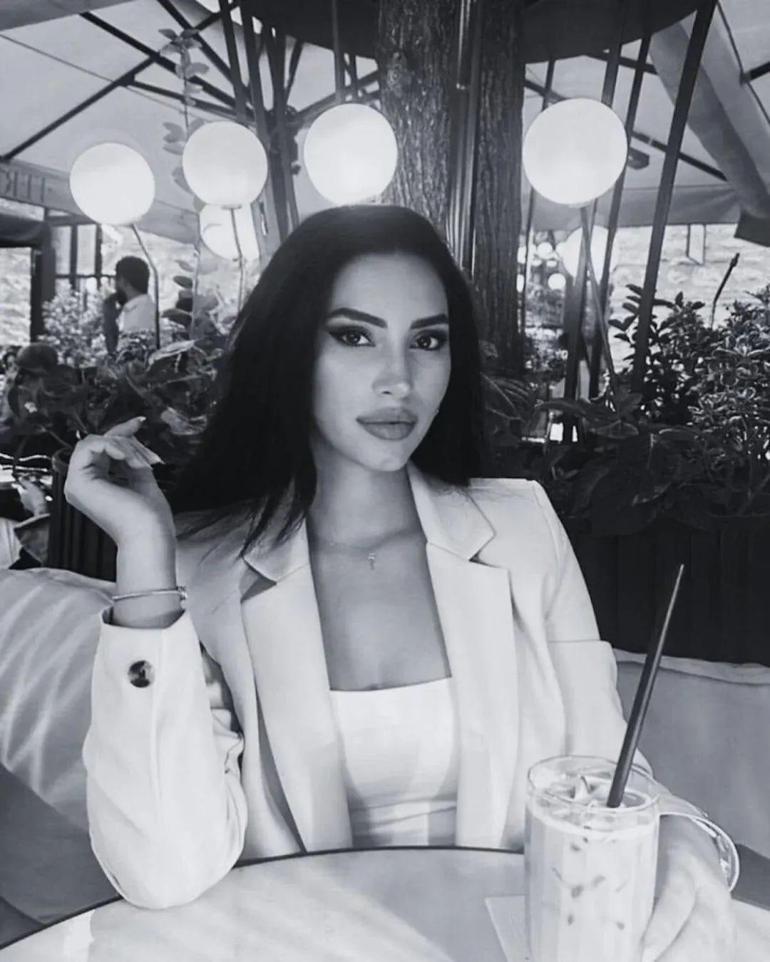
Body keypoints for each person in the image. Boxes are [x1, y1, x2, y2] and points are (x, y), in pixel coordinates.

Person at [64, 206, 735, 958]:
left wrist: (680, 845)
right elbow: (161, 870)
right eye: (354, 336)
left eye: (427, 340)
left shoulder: (521, 532)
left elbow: (605, 772)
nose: (399, 380)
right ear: (290, 349)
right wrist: (145, 558)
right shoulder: (201, 569)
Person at [113, 256, 155, 335]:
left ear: (124, 281)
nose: (115, 286)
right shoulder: (148, 308)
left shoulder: (137, 316)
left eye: (116, 280)